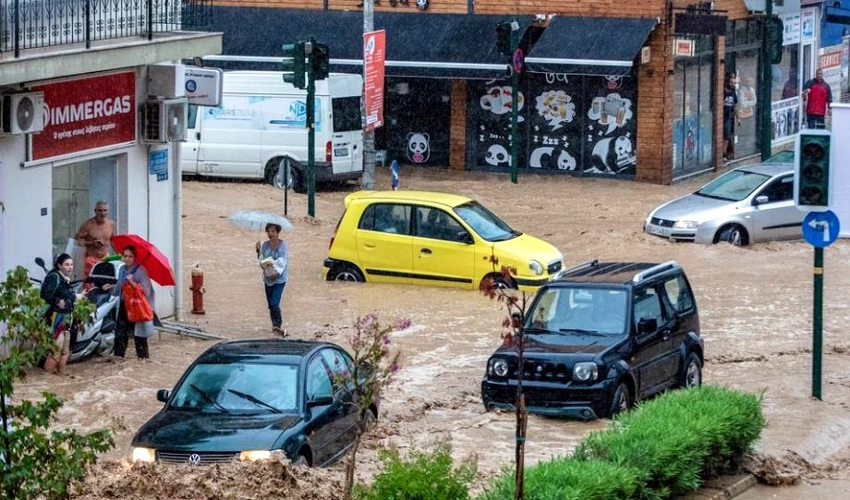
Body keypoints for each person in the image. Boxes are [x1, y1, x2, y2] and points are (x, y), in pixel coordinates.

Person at [105, 245, 155, 359]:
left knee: (139, 336)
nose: (127, 259)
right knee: (120, 334)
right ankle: (118, 357)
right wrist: (110, 287)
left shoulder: (141, 271)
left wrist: (132, 282)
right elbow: (119, 289)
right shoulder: (122, 269)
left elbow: (146, 291)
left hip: (138, 307)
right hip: (124, 305)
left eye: (130, 256)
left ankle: (143, 359)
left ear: (135, 258)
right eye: (125, 256)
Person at [40, 254, 79, 375]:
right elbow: (44, 294)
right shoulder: (54, 277)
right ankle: (46, 381)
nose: (70, 267)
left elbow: (68, 295)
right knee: (56, 351)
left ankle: (61, 376)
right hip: (57, 317)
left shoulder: (65, 279)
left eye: (72, 264)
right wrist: (57, 301)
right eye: (67, 264)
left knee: (65, 351)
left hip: (67, 317)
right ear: (59, 265)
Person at [258, 223, 288, 336]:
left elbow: (283, 261)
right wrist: (258, 251)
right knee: (270, 304)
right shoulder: (265, 245)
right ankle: (274, 326)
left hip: (279, 279)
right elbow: (261, 260)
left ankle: (278, 325)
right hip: (267, 278)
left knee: (275, 303)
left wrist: (272, 263)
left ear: (277, 232)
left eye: (273, 231)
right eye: (269, 231)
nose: (270, 234)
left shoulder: (283, 245)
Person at [75, 201, 117, 280]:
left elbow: (113, 241)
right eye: (100, 210)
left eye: (105, 210)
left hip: (105, 259)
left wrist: (120, 254)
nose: (102, 213)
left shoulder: (111, 224)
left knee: (105, 284)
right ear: (95, 211)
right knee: (90, 285)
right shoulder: (88, 224)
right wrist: (91, 243)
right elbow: (77, 240)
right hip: (91, 259)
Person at [723, 74, 739, 161]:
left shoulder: (733, 94)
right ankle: (723, 153)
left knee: (727, 135)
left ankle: (724, 152)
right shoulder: (723, 93)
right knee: (722, 135)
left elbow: (735, 106)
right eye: (731, 83)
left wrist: (738, 117)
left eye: (734, 83)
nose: (733, 84)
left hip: (728, 117)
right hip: (722, 117)